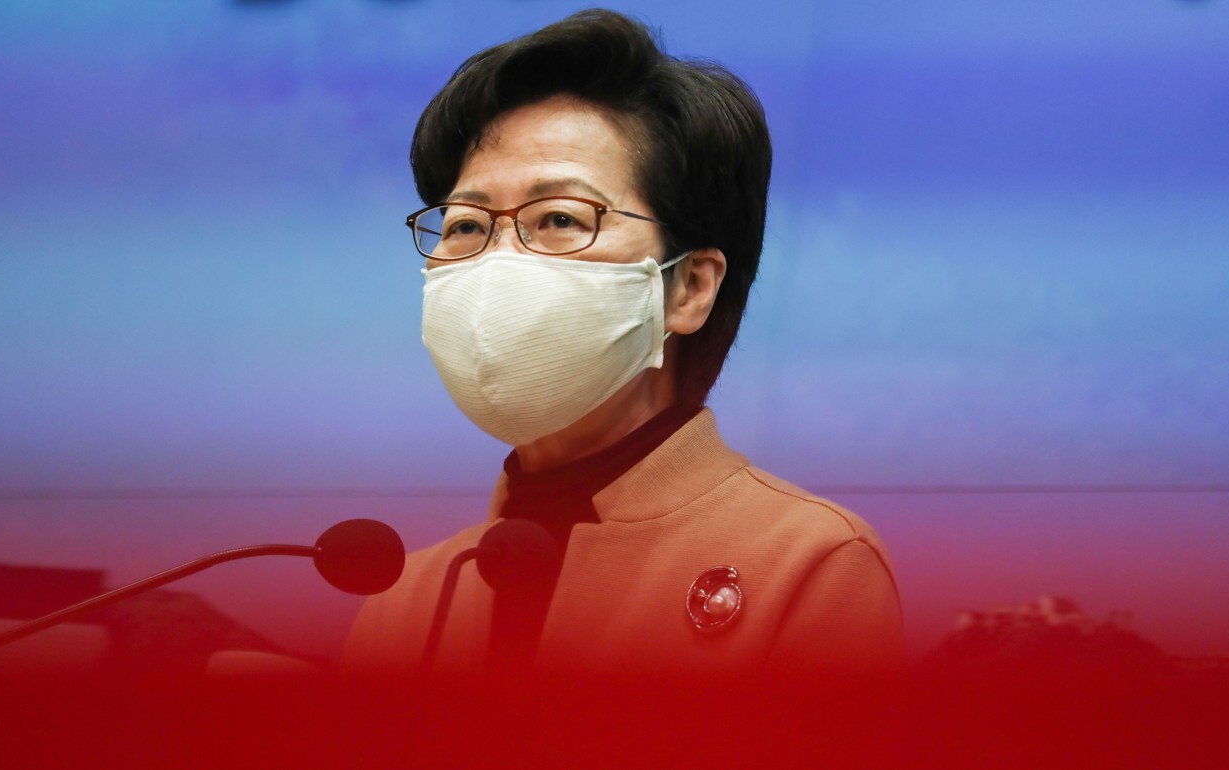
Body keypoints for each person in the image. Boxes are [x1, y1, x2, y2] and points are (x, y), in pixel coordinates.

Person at [345, 9, 903, 681]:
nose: (496, 263)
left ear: (687, 287)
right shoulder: (406, 600)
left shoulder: (808, 564)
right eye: (466, 225)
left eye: (559, 218)